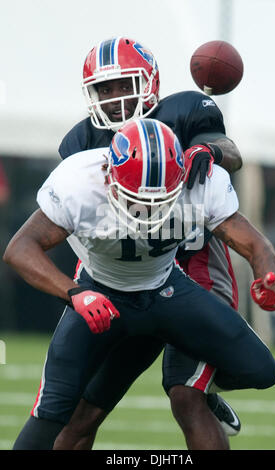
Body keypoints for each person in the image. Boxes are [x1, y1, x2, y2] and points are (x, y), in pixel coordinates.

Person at [4, 118, 275, 453]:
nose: (147, 210)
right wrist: (76, 293)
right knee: (53, 413)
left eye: (159, 200)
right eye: (137, 199)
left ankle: (207, 390)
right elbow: (20, 249)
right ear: (109, 177)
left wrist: (267, 276)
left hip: (166, 293)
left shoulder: (199, 182)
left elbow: (256, 245)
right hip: (102, 296)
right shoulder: (80, 180)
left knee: (262, 370)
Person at [54, 37, 244, 450]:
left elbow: (230, 151)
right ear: (91, 95)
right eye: (106, 89)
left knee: (185, 395)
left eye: (126, 84)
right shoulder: (78, 144)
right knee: (79, 409)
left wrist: (207, 150)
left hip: (192, 265)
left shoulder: (185, 110)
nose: (117, 97)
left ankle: (205, 386)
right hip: (122, 272)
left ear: (150, 82)